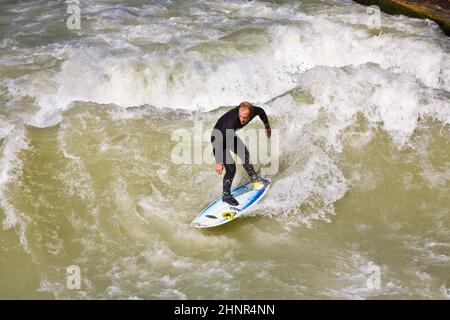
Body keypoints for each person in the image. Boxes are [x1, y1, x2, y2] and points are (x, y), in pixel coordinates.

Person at [210, 101, 271, 206]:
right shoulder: (232, 122)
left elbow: (261, 111)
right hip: (218, 139)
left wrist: (267, 126)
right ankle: (226, 195)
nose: (242, 120)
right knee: (231, 168)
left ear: (251, 114)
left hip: (229, 135)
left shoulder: (254, 111)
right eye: (240, 116)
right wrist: (219, 162)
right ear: (238, 112)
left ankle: (254, 179)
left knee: (245, 155)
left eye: (245, 117)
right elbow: (218, 141)